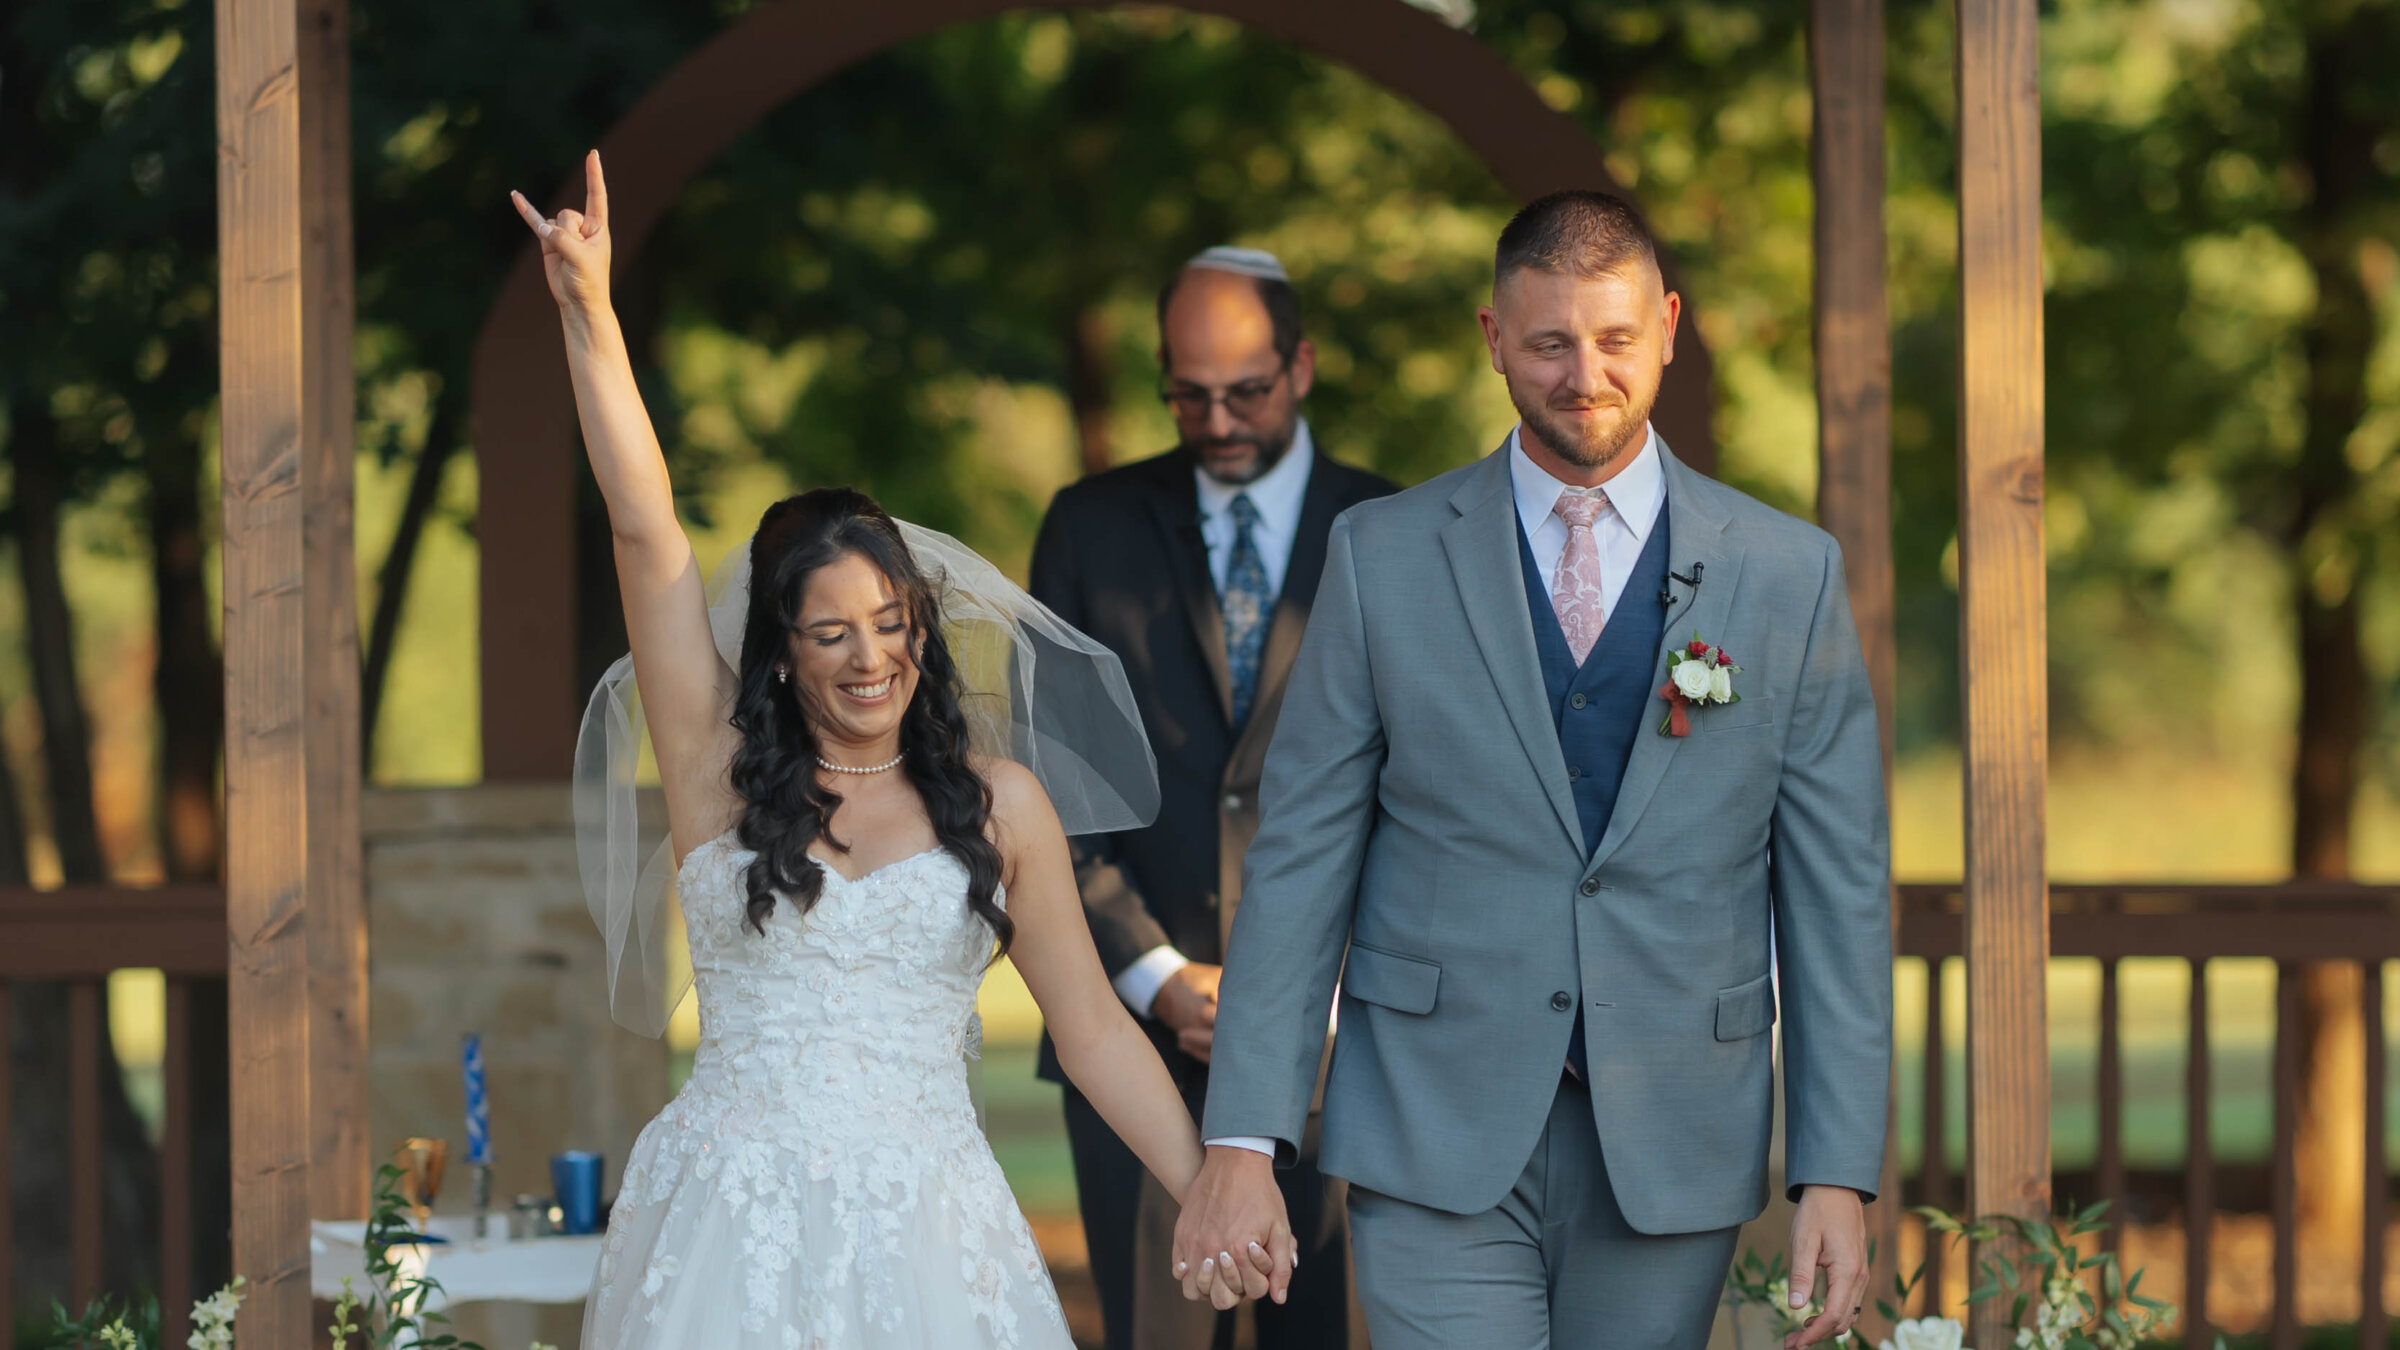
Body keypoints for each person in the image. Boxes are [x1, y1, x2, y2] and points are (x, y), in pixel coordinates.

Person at [511, 152, 1290, 1350]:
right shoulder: (715, 772)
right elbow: (642, 524)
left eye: (892, 624)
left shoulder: (999, 804)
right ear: (778, 653)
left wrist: (1215, 1190)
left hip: (932, 1232)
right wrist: (589, 316)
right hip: (729, 1227)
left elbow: (1089, 1035)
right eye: (830, 633)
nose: (871, 659)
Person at [1173, 189, 1894, 1350]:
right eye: (1550, 342)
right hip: (1430, 1125)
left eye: (1613, 340)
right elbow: (1302, 858)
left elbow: (1837, 896)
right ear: (1494, 338)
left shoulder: (1787, 575)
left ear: (1667, 325)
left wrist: (1838, 1172)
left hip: (1674, 1136)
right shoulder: (1379, 556)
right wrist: (1243, 1139)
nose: (1584, 375)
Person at [1028, 247, 1394, 1350]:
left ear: (1303, 365)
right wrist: (1159, 976)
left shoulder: (1395, 529)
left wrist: (1315, 987)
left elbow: (1424, 795)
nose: (1220, 420)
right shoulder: (1087, 527)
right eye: (1190, 396)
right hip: (1133, 1032)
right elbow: (1053, 786)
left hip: (1346, 1049)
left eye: (1248, 391)